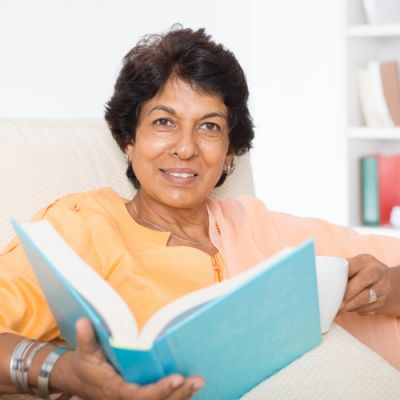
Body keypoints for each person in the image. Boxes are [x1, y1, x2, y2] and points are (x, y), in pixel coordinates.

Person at [0, 25, 399, 399]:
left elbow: (386, 269)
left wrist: (388, 289)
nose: (186, 147)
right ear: (129, 140)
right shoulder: (83, 223)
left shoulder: (256, 224)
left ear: (228, 154)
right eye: (163, 122)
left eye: (209, 127)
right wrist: (66, 371)